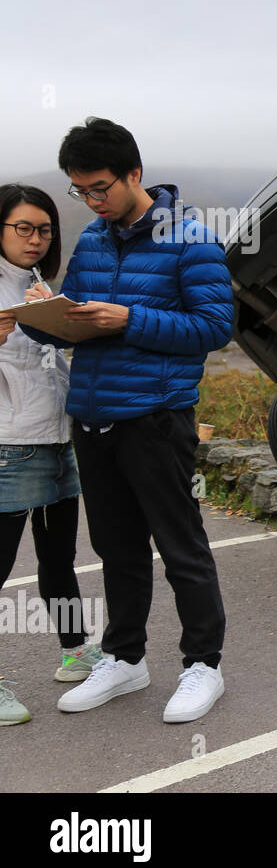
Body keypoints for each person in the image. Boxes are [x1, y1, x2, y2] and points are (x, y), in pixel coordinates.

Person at [20, 117, 234, 723]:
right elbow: (75, 320)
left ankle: (203, 666)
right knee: (116, 547)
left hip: (155, 418)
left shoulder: (192, 240)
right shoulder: (92, 240)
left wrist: (129, 320)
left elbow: (215, 328)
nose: (92, 201)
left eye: (100, 188)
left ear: (134, 174)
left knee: (180, 545)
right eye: (80, 190)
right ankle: (125, 658)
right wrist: (35, 316)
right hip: (92, 416)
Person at [0, 184, 100, 726]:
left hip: (56, 438)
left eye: (44, 230)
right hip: (9, 446)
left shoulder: (36, 284)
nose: (35, 239)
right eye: (23, 228)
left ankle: (76, 651)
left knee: (59, 559)